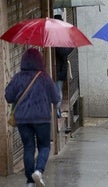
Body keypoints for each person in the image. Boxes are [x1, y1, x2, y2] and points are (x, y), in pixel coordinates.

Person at [5, 48, 60, 187]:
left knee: (28, 147)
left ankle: (30, 181)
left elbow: (9, 96)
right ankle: (39, 171)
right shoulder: (44, 77)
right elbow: (56, 97)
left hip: (23, 119)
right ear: (40, 61)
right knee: (44, 146)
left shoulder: (18, 77)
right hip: (42, 118)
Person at [54, 14, 74, 118]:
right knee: (58, 93)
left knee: (58, 92)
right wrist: (71, 46)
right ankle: (56, 111)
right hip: (57, 70)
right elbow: (62, 52)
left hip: (59, 70)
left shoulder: (58, 36)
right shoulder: (55, 37)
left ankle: (57, 110)